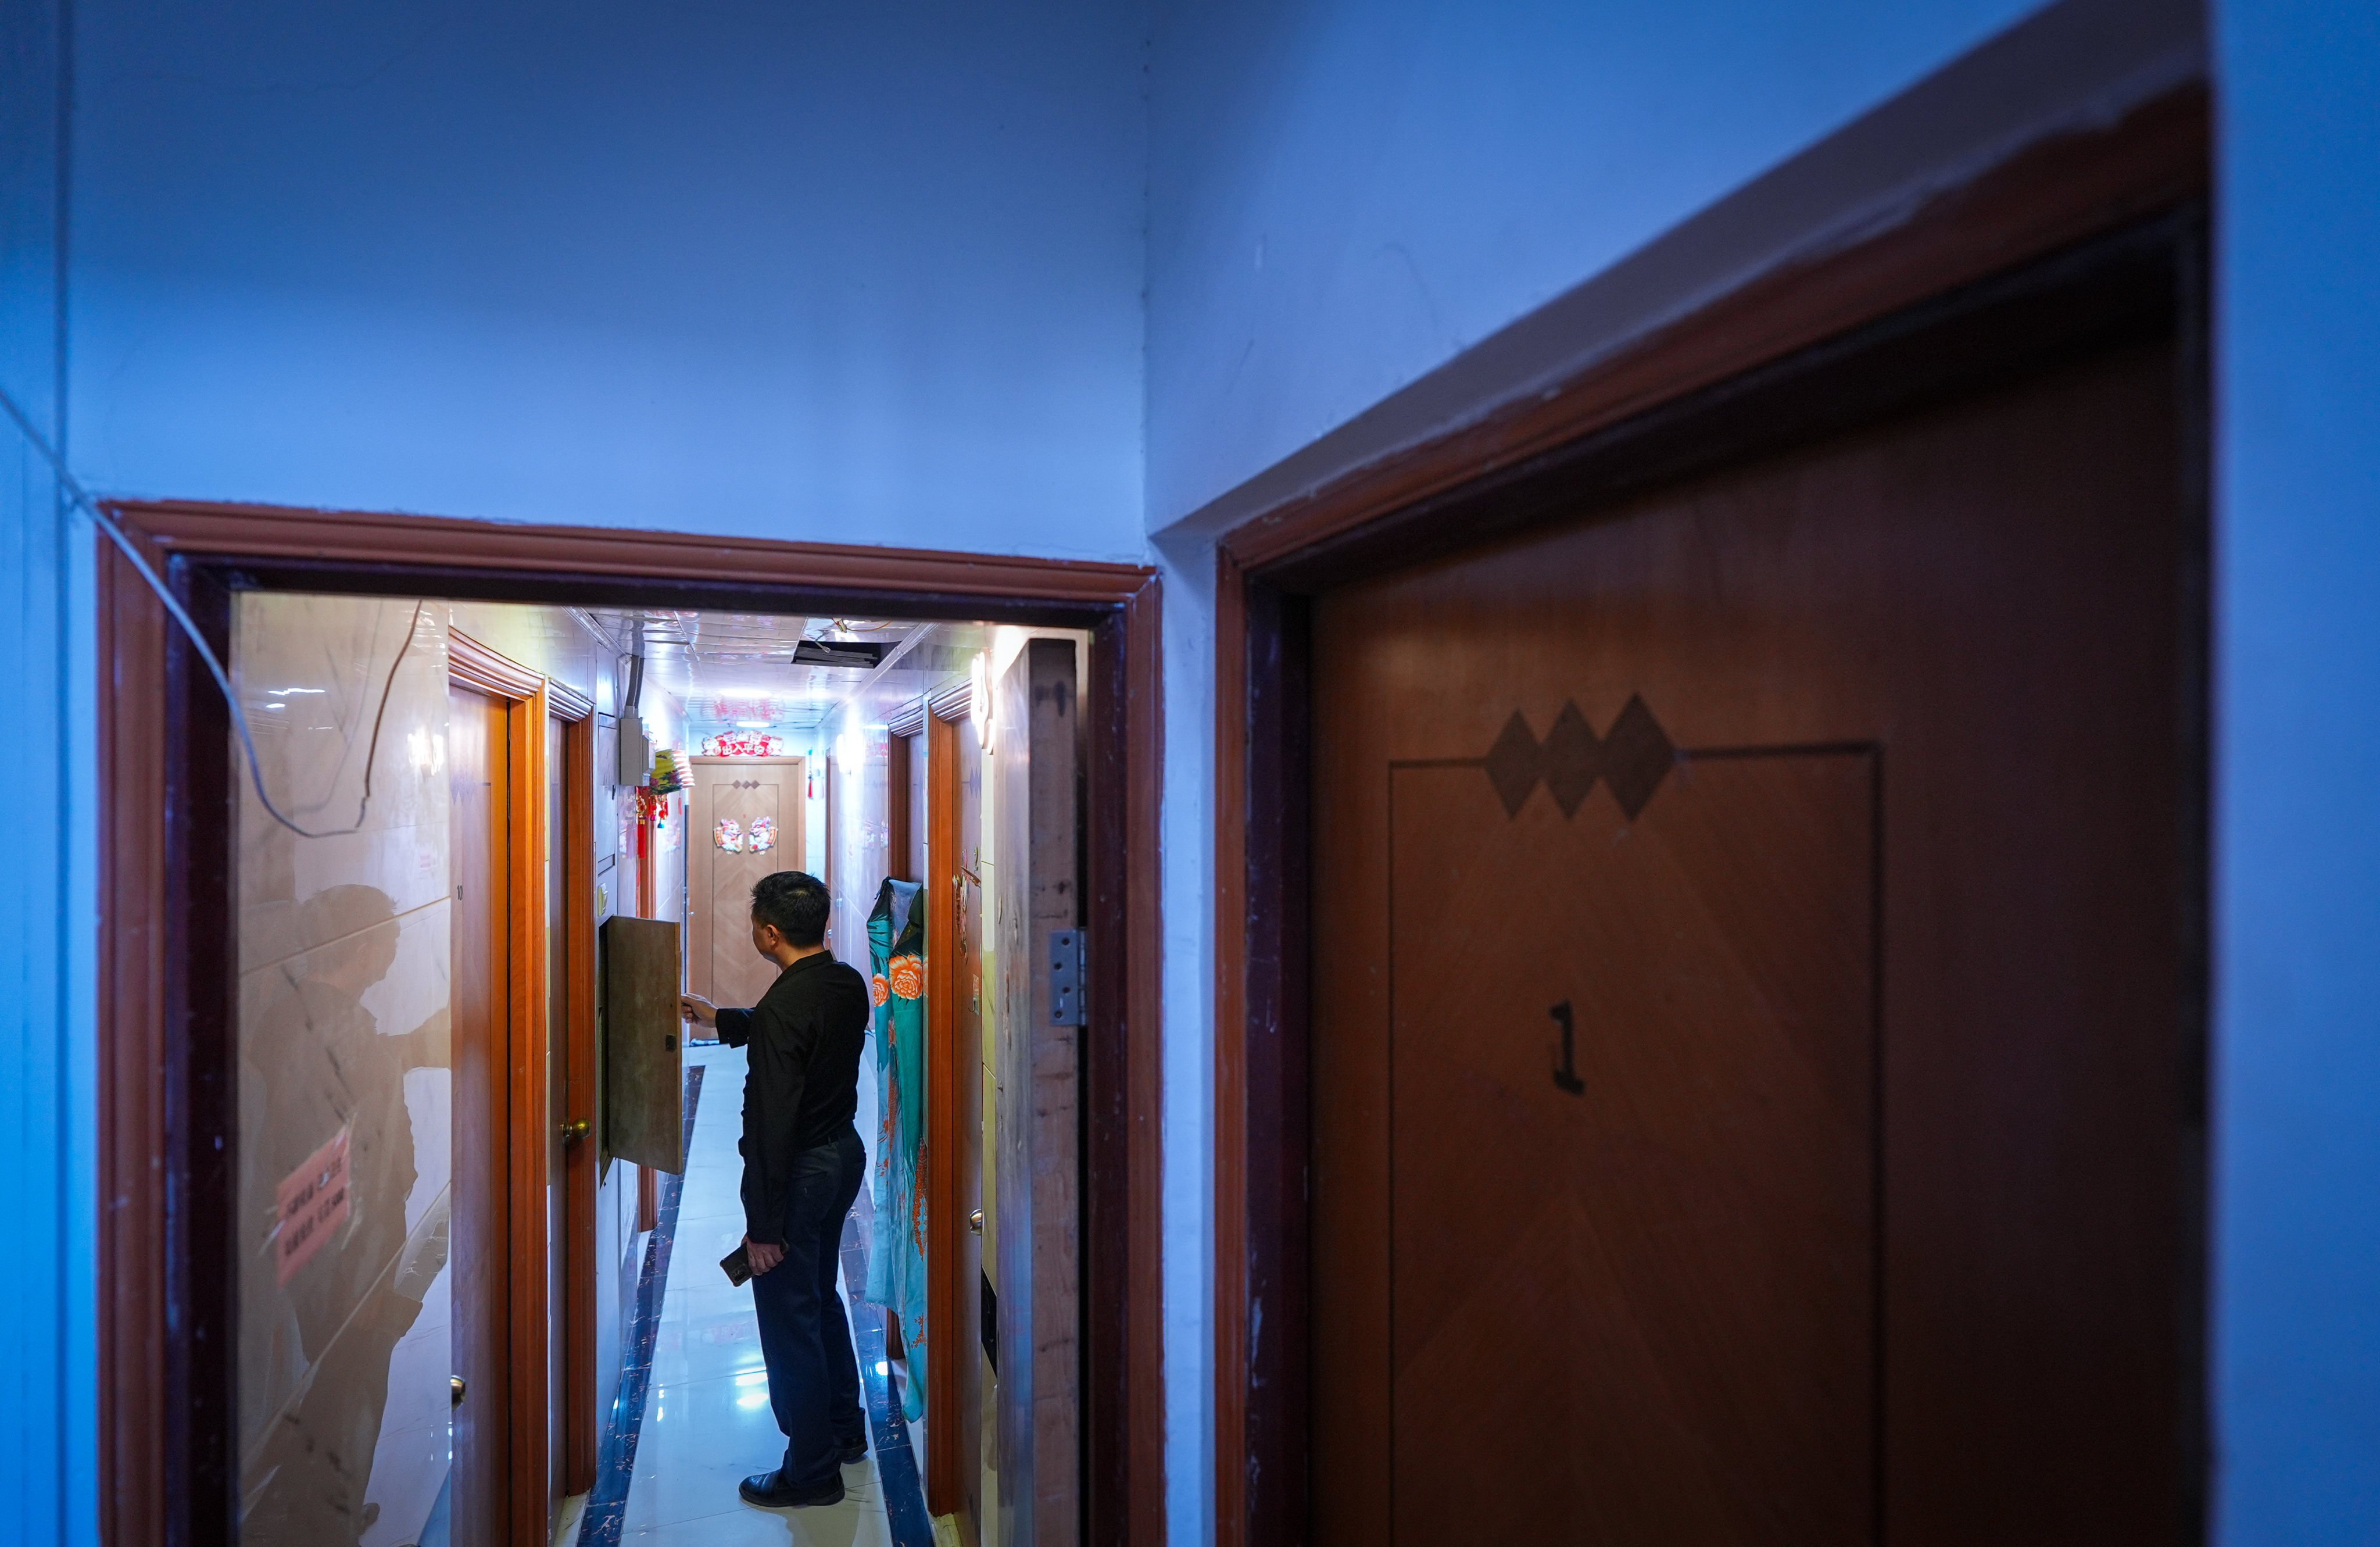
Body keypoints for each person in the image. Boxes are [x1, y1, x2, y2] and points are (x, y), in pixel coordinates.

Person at [681, 870, 873, 1509]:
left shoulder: (787, 1007)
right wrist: (724, 1021)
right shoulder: (843, 981)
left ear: (768, 933)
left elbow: (769, 1128)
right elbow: (792, 1026)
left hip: (801, 1173)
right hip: (844, 1157)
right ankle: (844, 1431)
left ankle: (812, 1470)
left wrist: (763, 1228)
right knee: (819, 1299)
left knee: (789, 1319)